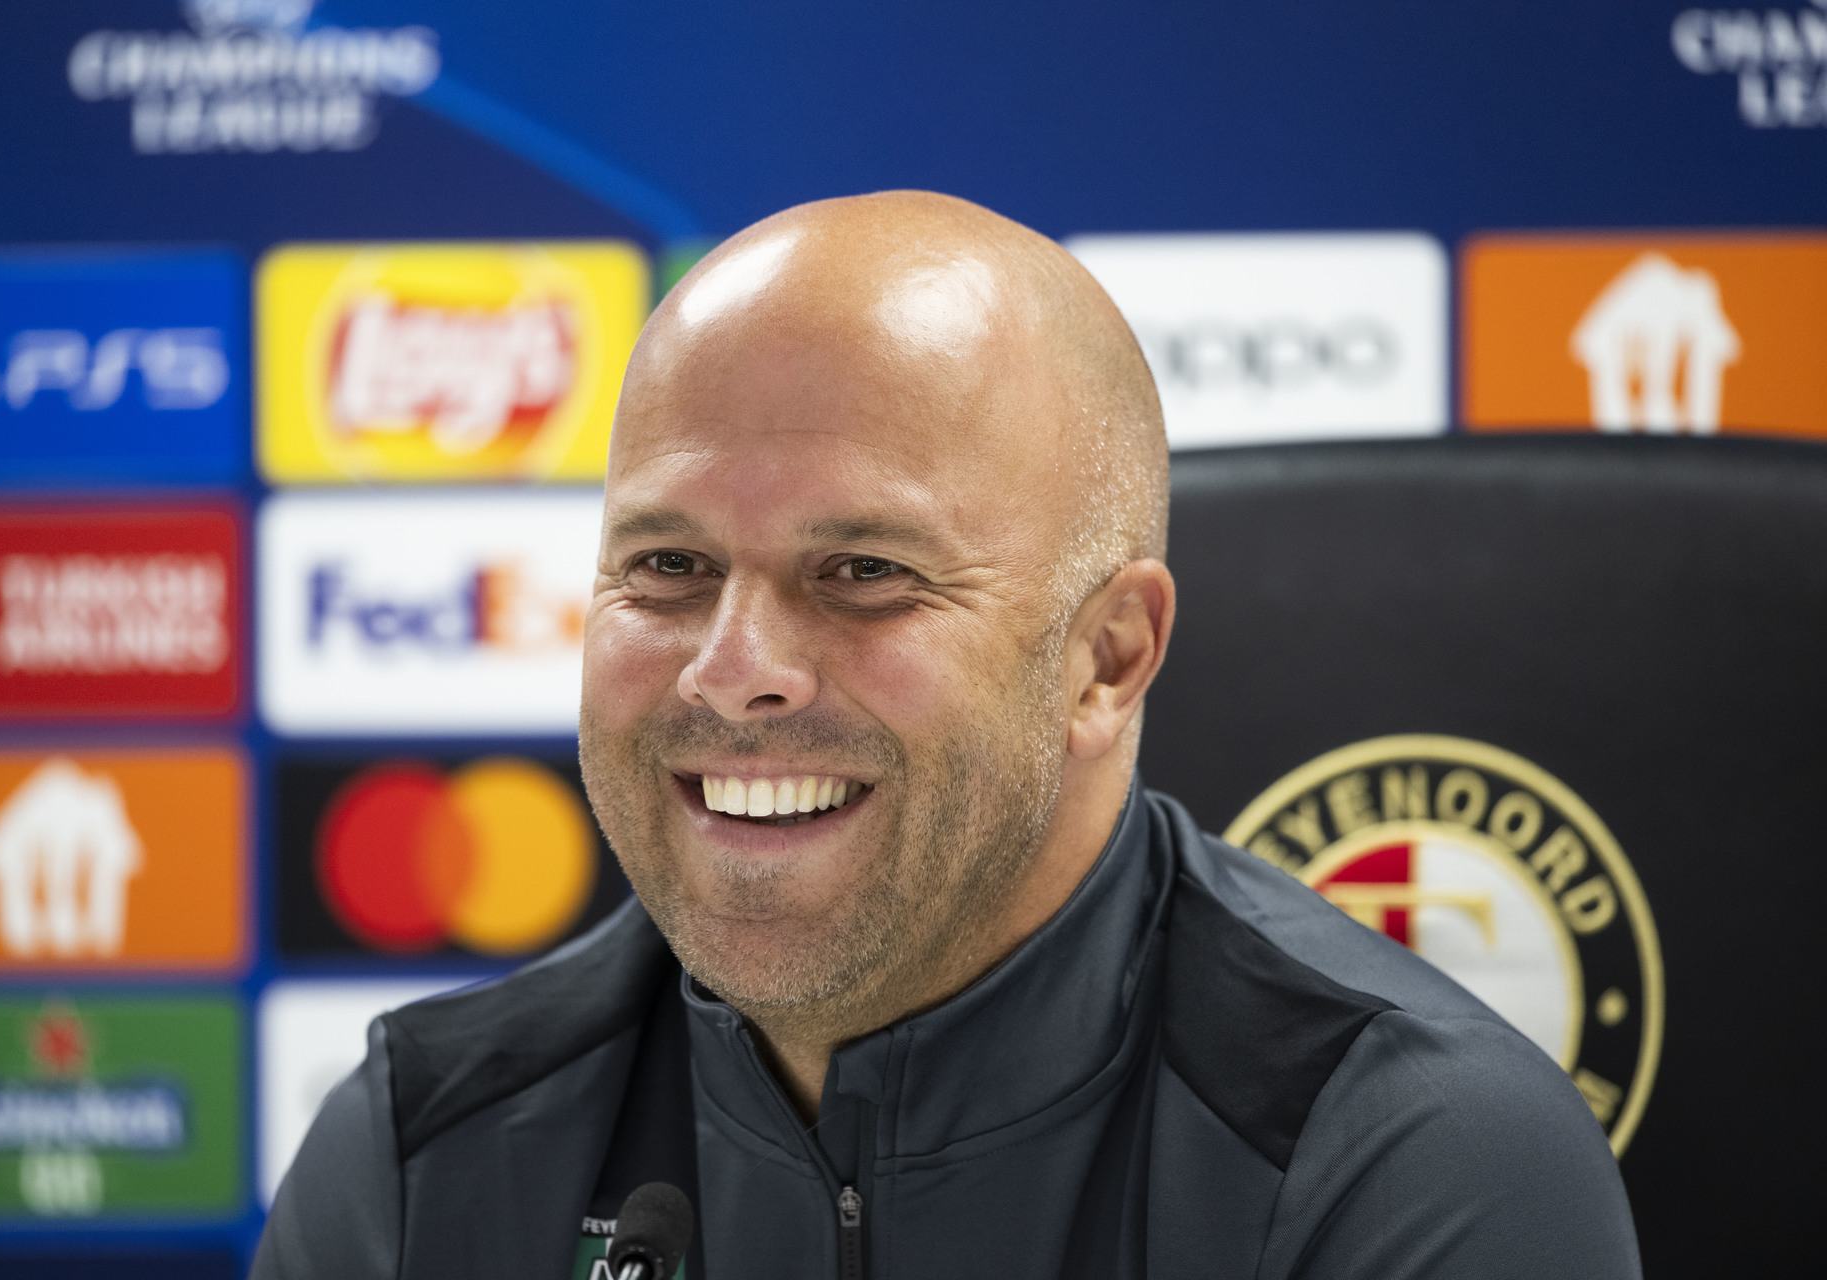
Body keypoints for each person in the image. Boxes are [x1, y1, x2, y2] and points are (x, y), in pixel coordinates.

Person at [254, 192, 1642, 1279]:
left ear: (1110, 658)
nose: (735, 672)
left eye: (864, 573)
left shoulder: (1406, 1166)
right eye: (668, 567)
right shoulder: (415, 1162)